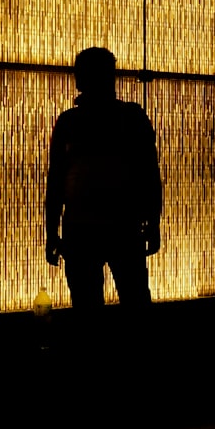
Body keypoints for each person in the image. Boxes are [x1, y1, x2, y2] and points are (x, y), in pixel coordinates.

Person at [44, 47, 162, 308]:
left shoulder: (69, 122)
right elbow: (149, 174)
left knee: (87, 305)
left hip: (82, 226)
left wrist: (52, 232)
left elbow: (56, 181)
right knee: (134, 299)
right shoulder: (132, 118)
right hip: (123, 224)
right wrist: (153, 222)